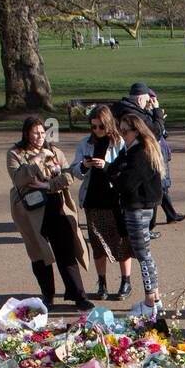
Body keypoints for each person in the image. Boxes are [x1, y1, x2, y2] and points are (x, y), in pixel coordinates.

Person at [7, 116, 93, 311]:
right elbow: (19, 179)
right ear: (27, 133)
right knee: (39, 253)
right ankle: (48, 296)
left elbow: (68, 174)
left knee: (66, 251)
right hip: (30, 211)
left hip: (56, 205)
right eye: (35, 133)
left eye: (42, 132)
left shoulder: (54, 151)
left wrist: (47, 184)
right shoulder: (15, 154)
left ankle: (79, 295)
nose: (39, 136)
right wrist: (37, 160)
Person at [71, 105, 132, 302]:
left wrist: (105, 166)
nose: (97, 131)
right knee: (97, 244)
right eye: (93, 127)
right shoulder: (85, 144)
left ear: (108, 125)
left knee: (121, 241)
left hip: (114, 199)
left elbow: (124, 170)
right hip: (93, 199)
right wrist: (83, 166)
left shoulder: (120, 143)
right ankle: (102, 282)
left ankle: (125, 281)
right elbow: (75, 170)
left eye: (100, 127)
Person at [106, 114, 166, 315]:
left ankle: (150, 301)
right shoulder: (131, 150)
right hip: (138, 206)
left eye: (126, 131)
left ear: (137, 131)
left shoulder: (141, 152)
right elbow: (112, 170)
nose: (122, 135)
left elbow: (126, 184)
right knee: (145, 253)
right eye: (120, 131)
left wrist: (117, 177)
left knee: (143, 255)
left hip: (138, 208)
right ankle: (154, 297)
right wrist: (118, 165)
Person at [115, 82, 185, 229]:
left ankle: (167, 216)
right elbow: (155, 131)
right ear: (140, 100)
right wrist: (157, 111)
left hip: (141, 154)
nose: (149, 103)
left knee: (155, 186)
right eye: (147, 100)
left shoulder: (129, 109)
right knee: (149, 188)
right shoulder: (133, 113)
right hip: (142, 155)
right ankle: (149, 226)